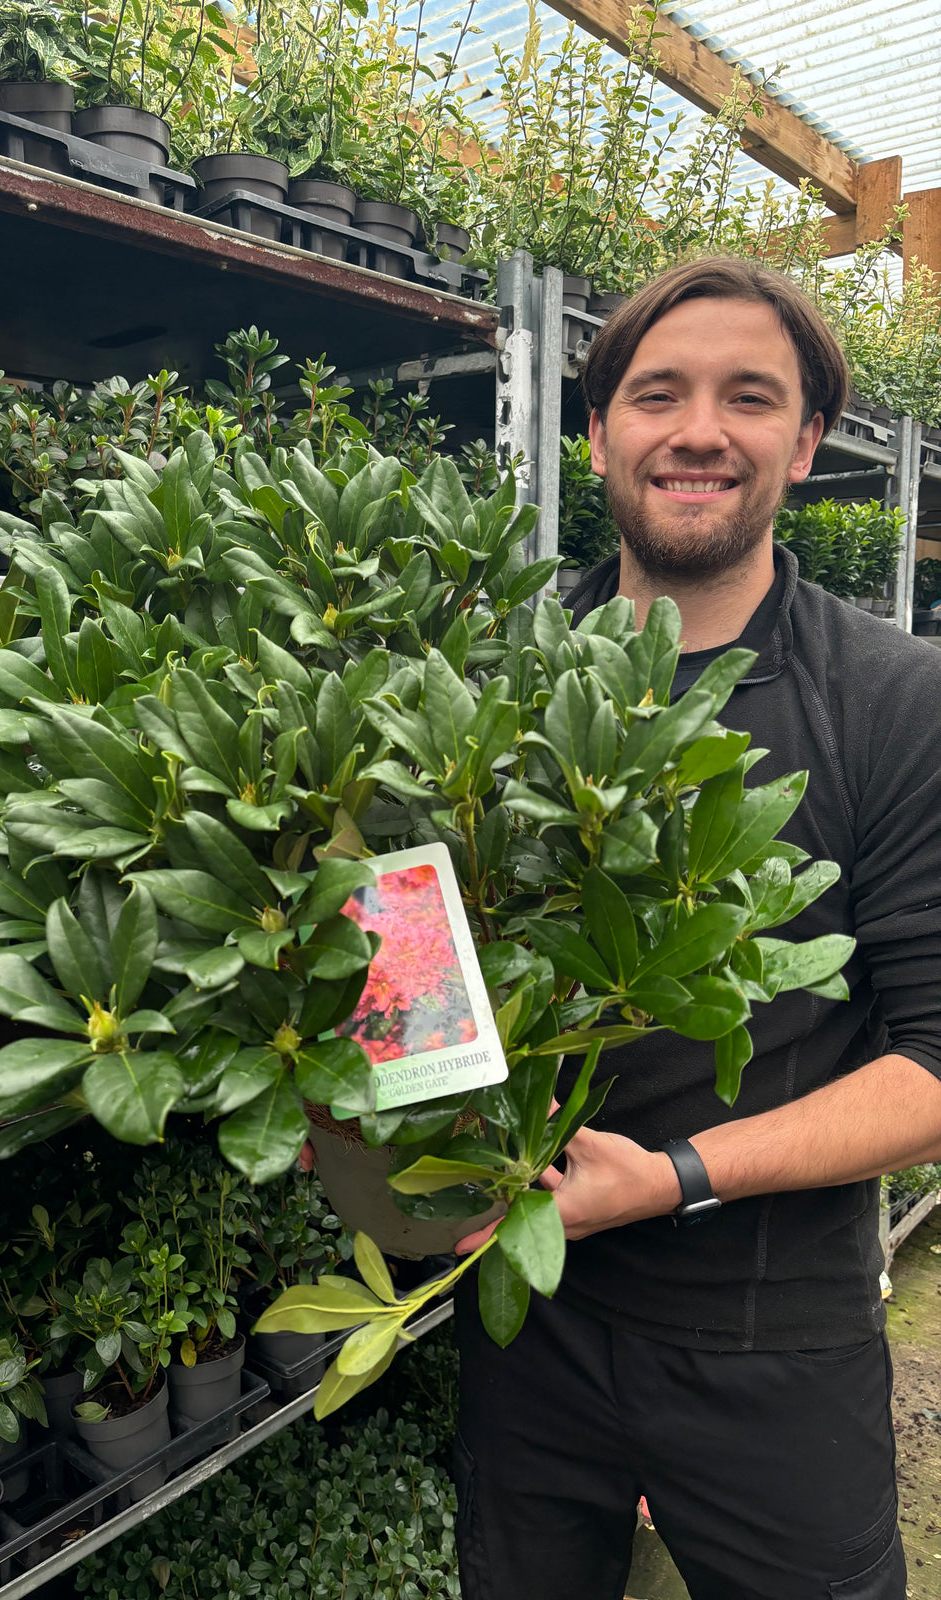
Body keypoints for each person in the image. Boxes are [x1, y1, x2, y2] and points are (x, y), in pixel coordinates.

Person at [452, 257, 941, 1600]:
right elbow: (413, 952)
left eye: (750, 397)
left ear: (808, 441)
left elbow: (935, 1068)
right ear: (598, 432)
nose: (700, 431)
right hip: (527, 1316)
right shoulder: (491, 677)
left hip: (770, 1339)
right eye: (658, 394)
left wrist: (672, 1176)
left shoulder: (893, 701)